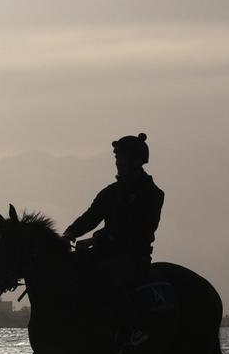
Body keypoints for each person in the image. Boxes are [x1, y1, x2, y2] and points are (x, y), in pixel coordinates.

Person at [63, 132, 165, 311]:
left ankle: (132, 328)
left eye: (122, 158)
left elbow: (135, 232)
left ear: (136, 161)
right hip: (104, 252)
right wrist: (70, 233)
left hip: (132, 257)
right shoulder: (110, 192)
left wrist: (95, 241)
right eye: (117, 158)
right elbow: (90, 217)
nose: (118, 162)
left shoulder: (152, 194)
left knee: (109, 279)